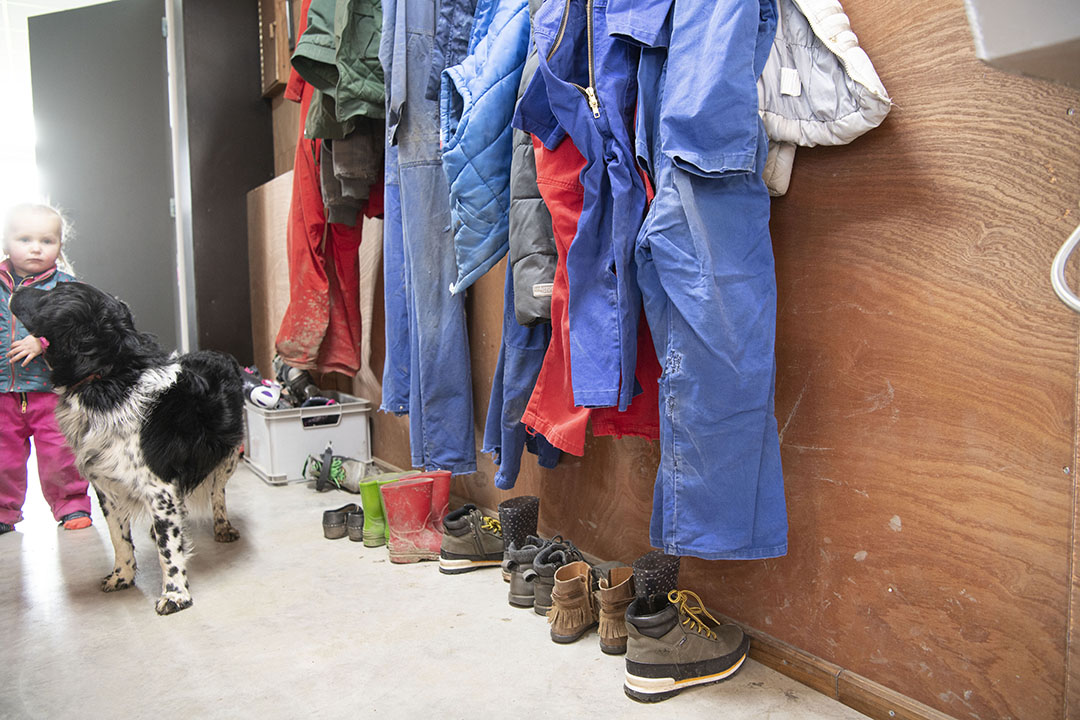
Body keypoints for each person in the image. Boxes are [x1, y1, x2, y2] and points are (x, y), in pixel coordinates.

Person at [0, 203, 91, 534]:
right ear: (5, 242)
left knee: (60, 453)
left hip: (50, 391)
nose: (36, 248)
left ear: (60, 246)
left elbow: (79, 331)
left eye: (47, 241)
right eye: (24, 239)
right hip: (3, 392)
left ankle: (71, 504)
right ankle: (3, 511)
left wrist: (43, 342)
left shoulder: (66, 288)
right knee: (3, 458)